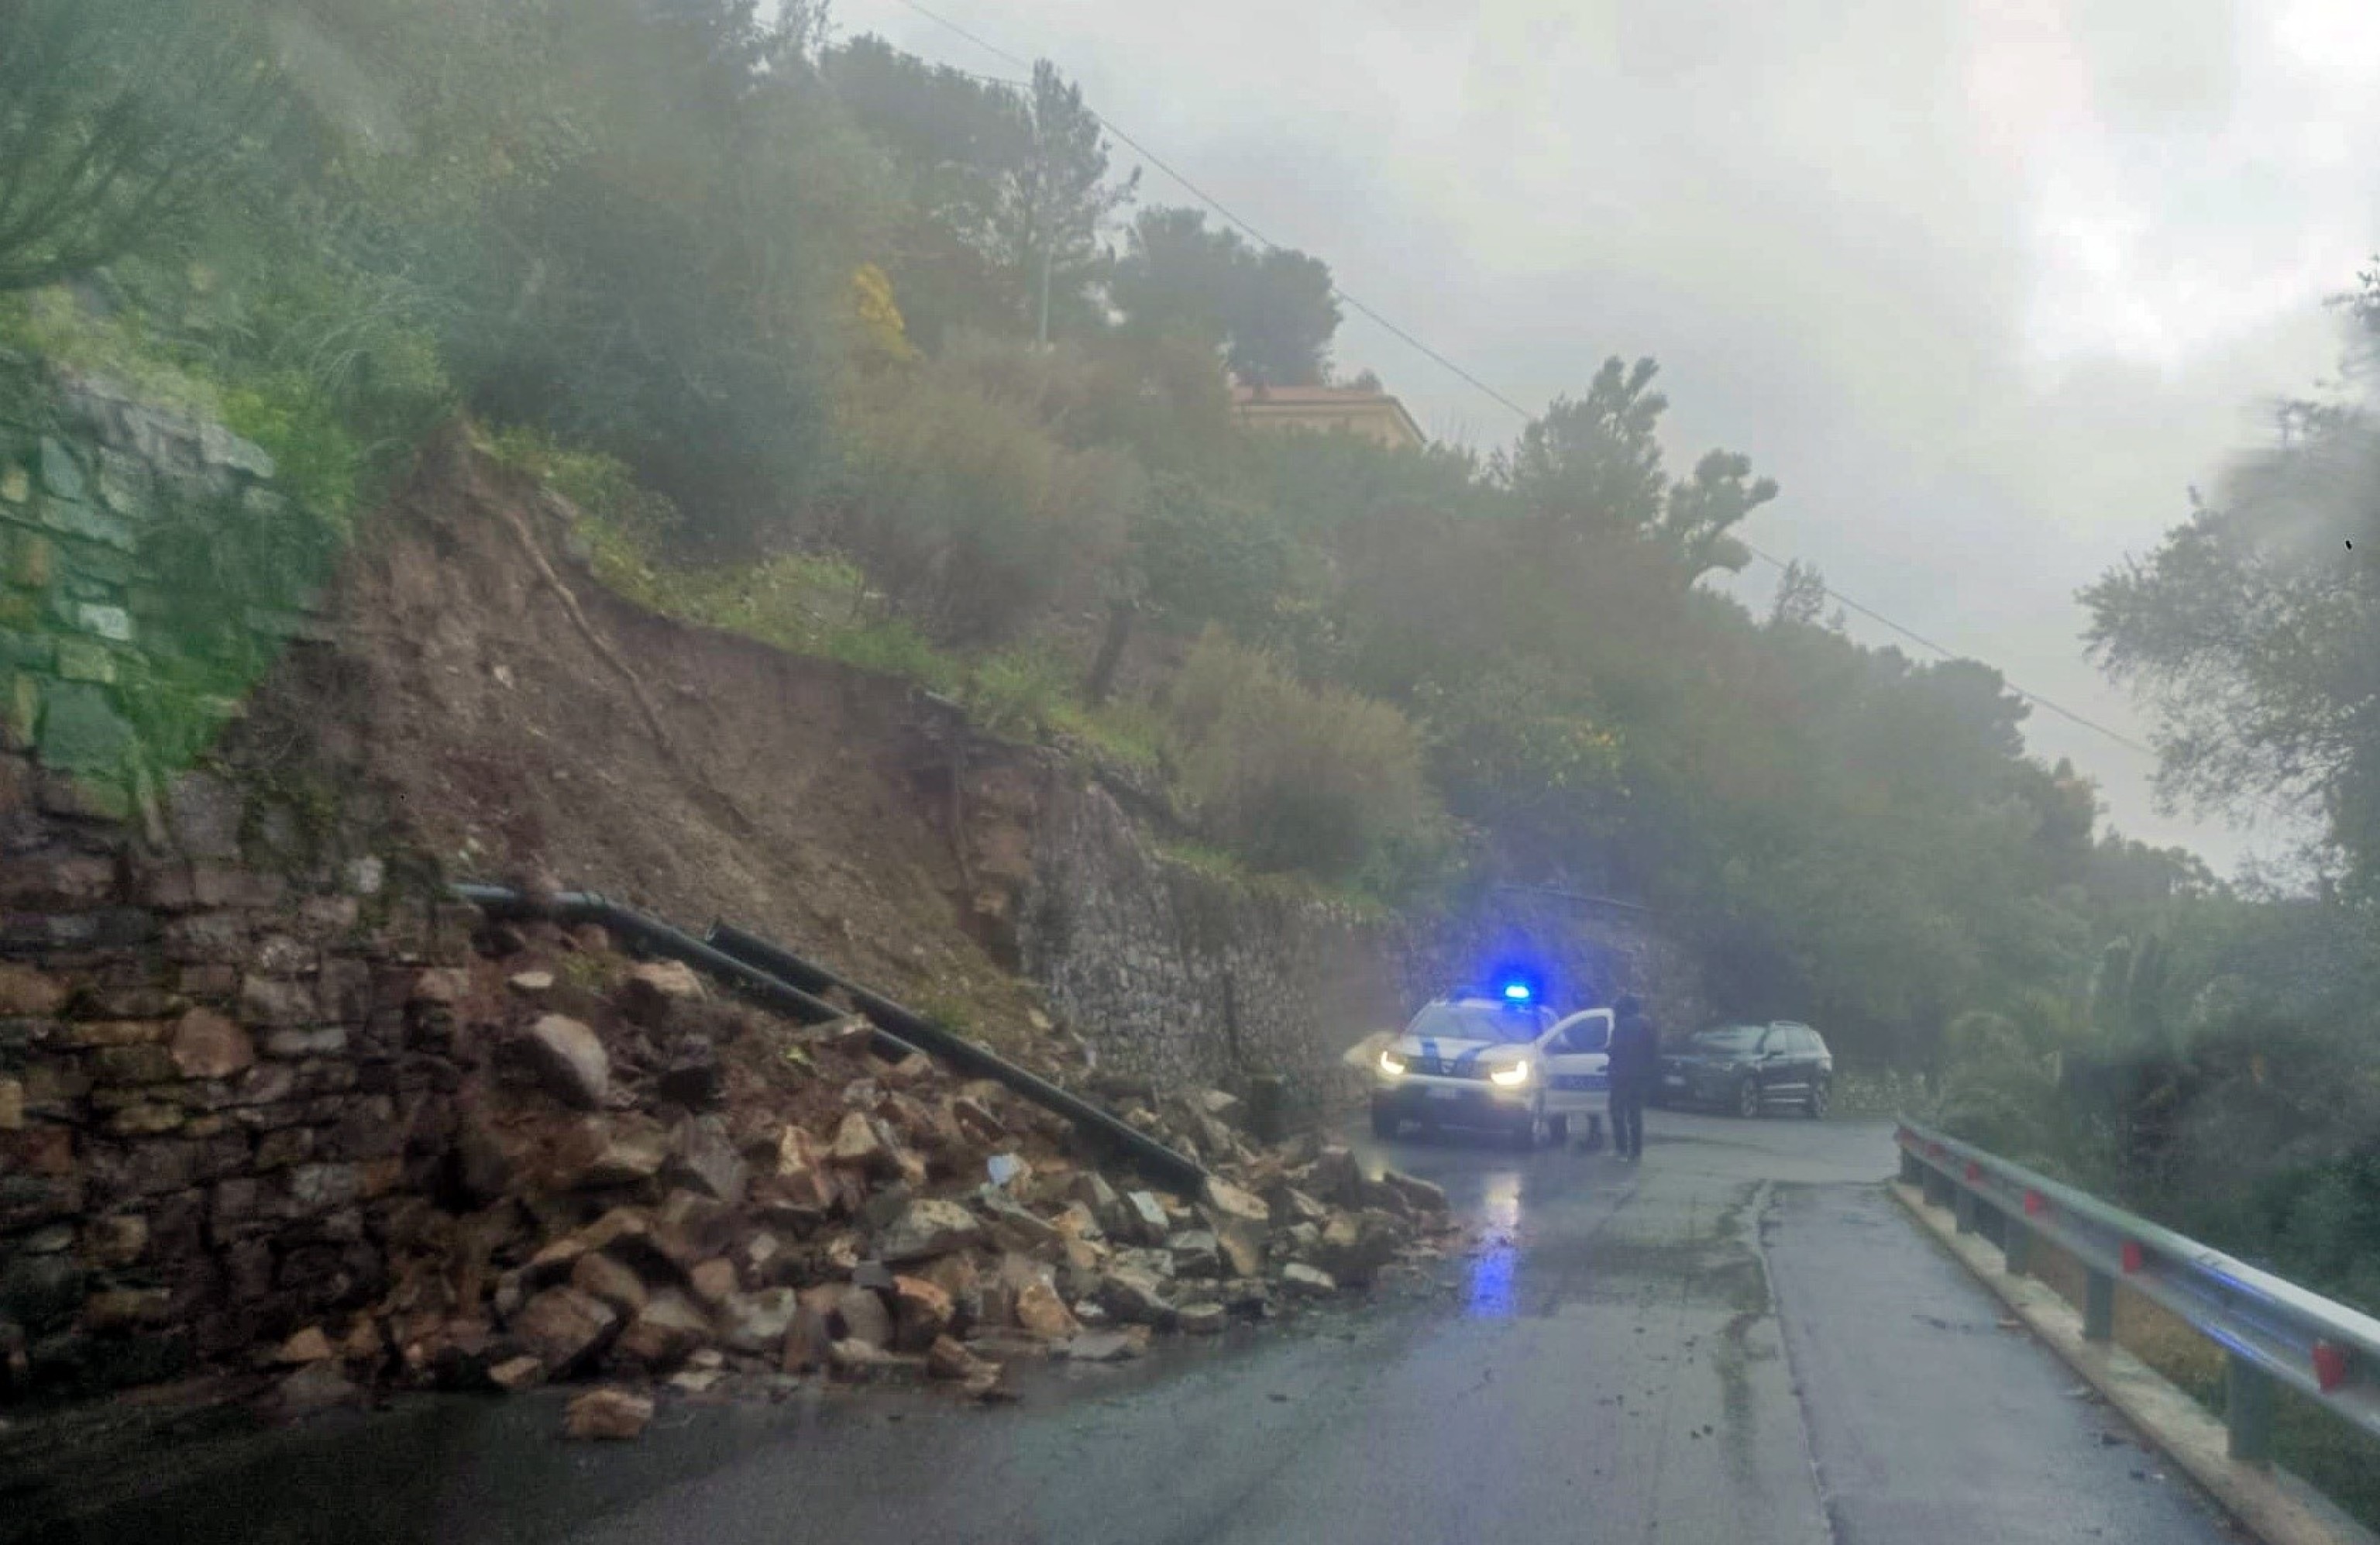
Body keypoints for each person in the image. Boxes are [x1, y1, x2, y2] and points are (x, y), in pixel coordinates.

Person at [1606, 993, 1657, 1161]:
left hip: (1621, 1076)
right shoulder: (1647, 1024)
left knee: (1617, 1112)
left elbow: (1614, 1050)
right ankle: (1636, 1151)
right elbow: (1654, 1052)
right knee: (1635, 1114)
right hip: (1640, 1077)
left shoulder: (1621, 1026)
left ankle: (1621, 1149)